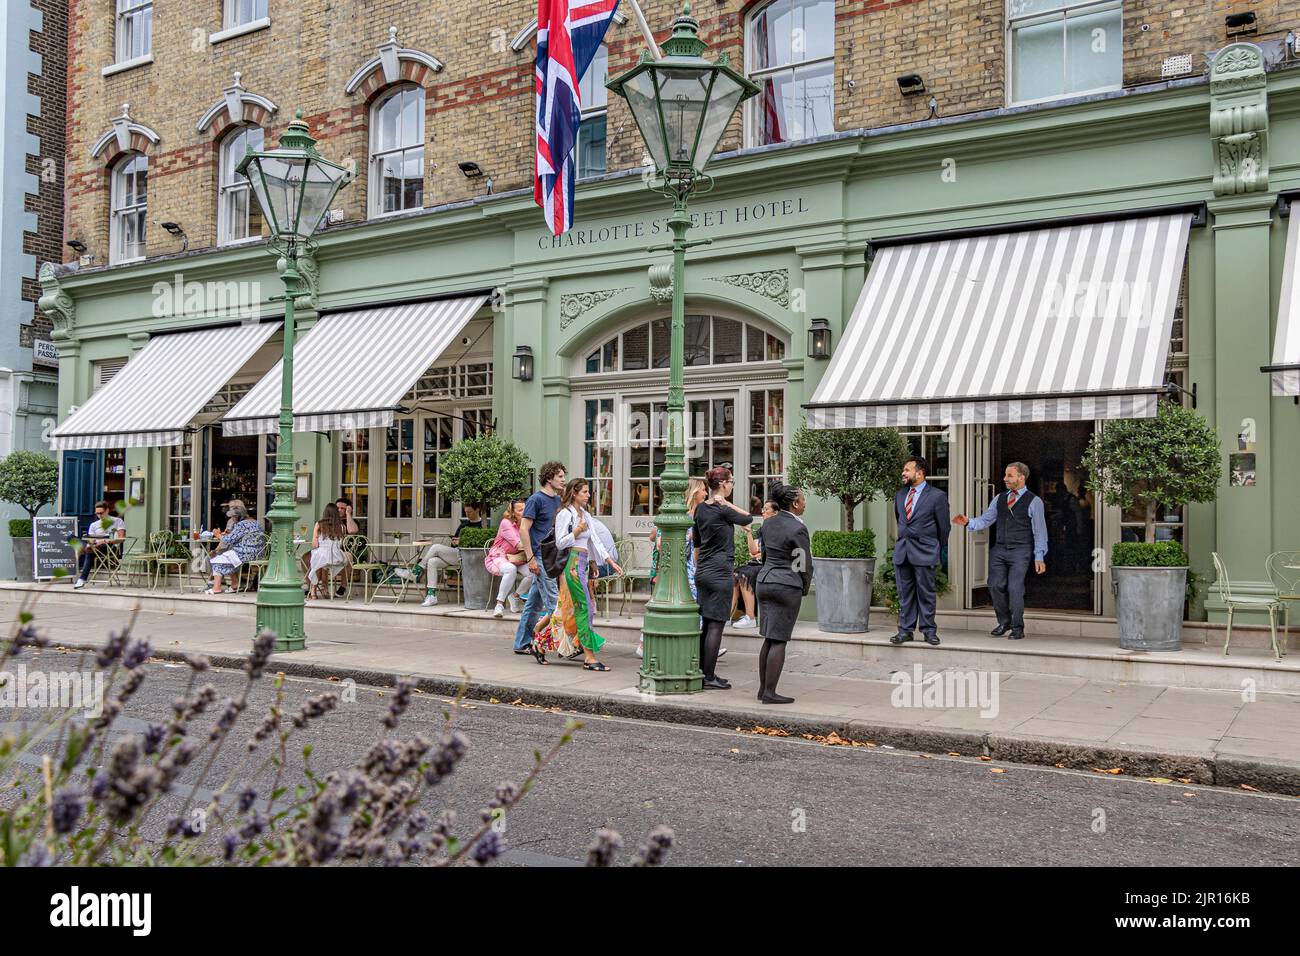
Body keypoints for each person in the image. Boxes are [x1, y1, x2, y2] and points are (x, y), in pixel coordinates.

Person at [953, 461, 1047, 641]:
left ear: (1021, 477)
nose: (1005, 479)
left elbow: (1040, 531)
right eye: (1005, 475)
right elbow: (986, 520)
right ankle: (1004, 622)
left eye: (1009, 475)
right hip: (1000, 549)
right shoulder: (999, 498)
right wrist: (967, 522)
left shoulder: (1034, 501)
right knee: (995, 584)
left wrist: (1039, 556)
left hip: (1021, 550)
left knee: (1014, 587)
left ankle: (1018, 627)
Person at [547, 478, 622, 670]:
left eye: (588, 492)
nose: (588, 495)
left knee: (569, 607)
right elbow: (560, 543)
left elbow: (594, 541)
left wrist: (606, 562)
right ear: (574, 493)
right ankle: (589, 656)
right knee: (583, 607)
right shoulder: (565, 514)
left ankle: (539, 641)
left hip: (583, 564)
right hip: (571, 564)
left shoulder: (586, 515)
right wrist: (576, 531)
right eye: (585, 492)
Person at [692, 466, 753, 689]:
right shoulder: (722, 509)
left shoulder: (700, 510)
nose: (732, 486)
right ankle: (709, 676)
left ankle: (701, 672)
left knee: (706, 623)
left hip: (704, 572)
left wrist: (702, 568)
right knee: (717, 624)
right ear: (723, 484)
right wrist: (725, 502)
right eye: (731, 482)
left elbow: (697, 544)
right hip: (720, 572)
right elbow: (748, 518)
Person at [755, 483, 812, 704]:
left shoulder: (767, 523)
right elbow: (803, 562)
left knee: (769, 637)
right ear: (795, 504)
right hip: (786, 584)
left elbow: (764, 556)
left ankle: (762, 689)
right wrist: (803, 586)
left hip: (764, 581)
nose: (805, 502)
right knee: (779, 640)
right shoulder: (798, 528)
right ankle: (770, 693)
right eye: (803, 499)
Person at [890, 457, 950, 646]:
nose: (903, 473)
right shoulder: (900, 495)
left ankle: (928, 631)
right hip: (903, 551)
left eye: (907, 470)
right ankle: (905, 631)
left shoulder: (937, 496)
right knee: (904, 593)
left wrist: (935, 547)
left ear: (920, 472)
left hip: (925, 550)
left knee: (926, 593)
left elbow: (944, 528)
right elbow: (900, 519)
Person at [512, 461, 567, 656]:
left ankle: (522, 642)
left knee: (534, 604)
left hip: (552, 557)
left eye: (563, 476)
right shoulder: (536, 500)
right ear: (549, 477)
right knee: (554, 603)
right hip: (541, 558)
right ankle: (565, 645)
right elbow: (524, 529)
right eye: (560, 476)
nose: (563, 480)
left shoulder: (559, 500)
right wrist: (531, 559)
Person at [419, 504, 484, 607]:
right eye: (466, 512)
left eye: (470, 512)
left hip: (468, 557)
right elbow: (453, 544)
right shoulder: (463, 525)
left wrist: (462, 541)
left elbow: (479, 545)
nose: (467, 514)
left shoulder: (483, 525)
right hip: (455, 555)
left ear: (477, 509)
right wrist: (454, 542)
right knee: (432, 562)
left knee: (435, 547)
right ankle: (431, 596)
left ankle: (417, 571)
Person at [485, 498, 534, 618]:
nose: (523, 512)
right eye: (520, 510)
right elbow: (519, 545)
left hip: (516, 558)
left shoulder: (527, 524)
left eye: (525, 509)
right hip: (498, 557)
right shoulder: (506, 523)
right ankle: (499, 604)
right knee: (510, 569)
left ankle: (515, 596)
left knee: (534, 571)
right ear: (512, 512)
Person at [732, 500, 775, 628]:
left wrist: (759, 554)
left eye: (766, 509)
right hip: (758, 564)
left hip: (769, 566)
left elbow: (766, 553)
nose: (762, 511)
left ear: (775, 512)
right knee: (735, 574)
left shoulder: (776, 529)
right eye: (762, 509)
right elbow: (753, 551)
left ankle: (751, 617)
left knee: (745, 574)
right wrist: (749, 533)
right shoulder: (762, 529)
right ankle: (727, 617)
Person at [206, 501, 264, 594]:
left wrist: (218, 535)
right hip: (258, 553)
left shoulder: (241, 524)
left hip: (245, 554)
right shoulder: (255, 522)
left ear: (238, 517)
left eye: (233, 517)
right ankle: (235, 584)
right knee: (228, 556)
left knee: (217, 559)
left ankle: (216, 588)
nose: (232, 519)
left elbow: (229, 540)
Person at [73, 501, 125, 589]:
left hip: (109, 547)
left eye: (101, 513)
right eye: (97, 513)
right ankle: (86, 548)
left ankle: (82, 579)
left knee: (90, 551)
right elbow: (91, 540)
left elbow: (121, 538)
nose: (99, 516)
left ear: (107, 510)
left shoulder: (117, 521)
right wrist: (91, 543)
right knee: (72, 538)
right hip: (95, 547)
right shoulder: (94, 525)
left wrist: (105, 541)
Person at [306, 503, 349, 599]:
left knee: (318, 560)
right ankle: (325, 588)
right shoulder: (342, 527)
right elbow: (341, 544)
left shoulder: (319, 524)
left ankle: (313, 589)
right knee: (324, 562)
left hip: (323, 557)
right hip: (337, 558)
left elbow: (315, 544)